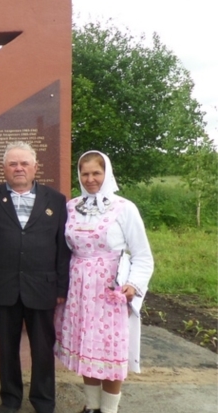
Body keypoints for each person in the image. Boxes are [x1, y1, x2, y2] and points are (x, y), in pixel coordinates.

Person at [54, 151, 154, 413]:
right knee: (88, 346)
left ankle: (108, 410)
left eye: (96, 173)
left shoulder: (124, 208)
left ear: (106, 173)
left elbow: (142, 255)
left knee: (109, 349)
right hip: (79, 287)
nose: (90, 179)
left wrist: (133, 284)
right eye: (85, 173)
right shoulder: (71, 207)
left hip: (110, 288)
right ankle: (91, 406)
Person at [0, 141, 71, 413]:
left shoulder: (55, 200)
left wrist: (61, 287)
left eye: (24, 164)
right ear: (4, 169)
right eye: (13, 164)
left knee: (43, 350)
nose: (18, 168)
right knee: (6, 349)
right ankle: (10, 400)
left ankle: (43, 401)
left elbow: (63, 247)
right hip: (3, 287)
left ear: (35, 167)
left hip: (42, 288)